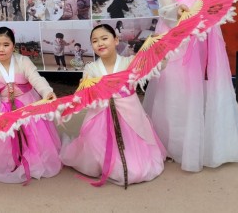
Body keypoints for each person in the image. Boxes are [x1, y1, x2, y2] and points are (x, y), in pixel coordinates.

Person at [143, 0, 238, 172]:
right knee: (179, 82)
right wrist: (180, 12)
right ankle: (177, 142)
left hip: (206, 30)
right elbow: (165, 7)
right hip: (180, 32)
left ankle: (208, 136)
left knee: (208, 77)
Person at [60, 24, 166, 186]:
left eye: (104, 38)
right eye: (95, 41)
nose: (100, 43)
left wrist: (159, 49)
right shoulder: (91, 68)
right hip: (100, 117)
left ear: (116, 40)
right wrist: (85, 88)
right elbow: (86, 93)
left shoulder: (130, 61)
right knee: (95, 148)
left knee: (136, 171)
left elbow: (159, 65)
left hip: (130, 115)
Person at [0, 27, 62, 183]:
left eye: (6, 45)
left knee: (34, 134)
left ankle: (33, 156)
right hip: (3, 105)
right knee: (2, 134)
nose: (1, 49)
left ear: (13, 46)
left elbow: (36, 79)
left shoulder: (23, 61)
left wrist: (47, 92)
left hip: (27, 102)